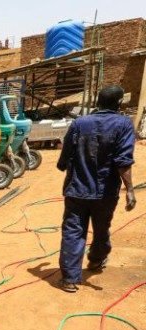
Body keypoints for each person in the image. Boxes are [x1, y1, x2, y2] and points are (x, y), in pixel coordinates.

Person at [57, 85, 137, 293]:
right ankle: (96, 260)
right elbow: (123, 160)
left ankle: (70, 279)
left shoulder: (79, 123)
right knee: (101, 228)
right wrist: (129, 189)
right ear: (119, 103)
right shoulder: (124, 125)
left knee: (73, 231)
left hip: (77, 189)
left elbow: (66, 151)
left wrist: (63, 164)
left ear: (98, 102)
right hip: (105, 192)